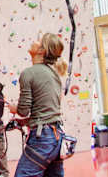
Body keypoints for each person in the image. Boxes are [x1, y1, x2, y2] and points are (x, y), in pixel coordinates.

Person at [12, 33, 67, 177]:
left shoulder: (28, 73)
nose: (34, 40)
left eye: (39, 41)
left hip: (42, 139)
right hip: (56, 139)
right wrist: (26, 122)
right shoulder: (53, 73)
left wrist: (15, 109)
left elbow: (23, 110)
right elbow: (47, 111)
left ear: (41, 51)